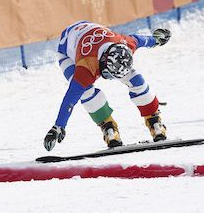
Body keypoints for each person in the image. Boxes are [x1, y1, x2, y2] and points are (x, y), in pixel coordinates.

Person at [43, 20, 171, 151]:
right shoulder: (86, 67)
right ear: (103, 62)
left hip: (91, 35)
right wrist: (58, 126)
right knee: (85, 91)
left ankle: (153, 119)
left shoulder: (127, 43)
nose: (113, 79)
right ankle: (107, 125)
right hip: (67, 52)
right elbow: (70, 99)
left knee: (136, 80)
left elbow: (142, 40)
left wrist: (157, 40)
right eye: (109, 74)